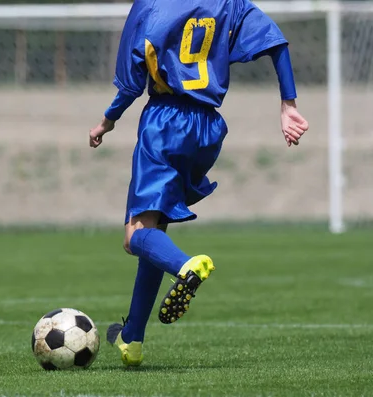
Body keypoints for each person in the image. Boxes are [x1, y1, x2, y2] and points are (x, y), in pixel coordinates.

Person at [89, 0, 309, 366]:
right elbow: (276, 41)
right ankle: (132, 339)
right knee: (153, 227)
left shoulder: (150, 5)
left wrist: (107, 121)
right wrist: (288, 104)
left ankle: (185, 266)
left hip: (164, 122)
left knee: (134, 237)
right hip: (207, 127)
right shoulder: (228, 2)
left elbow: (131, 81)